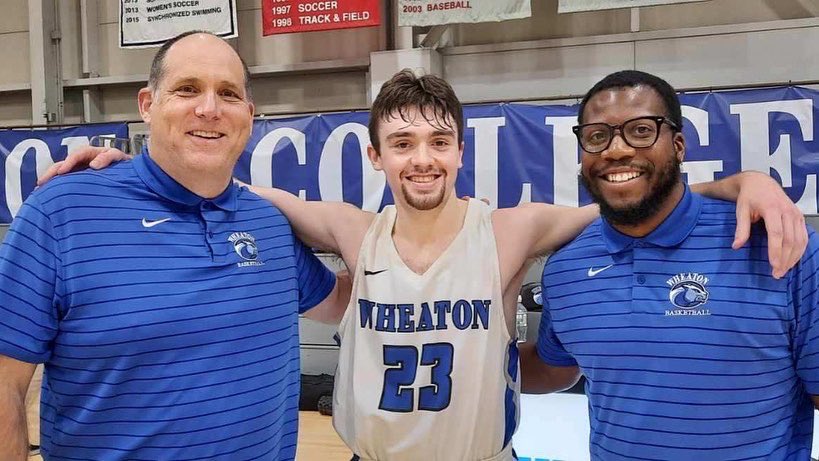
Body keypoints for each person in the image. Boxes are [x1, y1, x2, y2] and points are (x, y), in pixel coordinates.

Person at [44, 70, 807, 460]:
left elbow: (632, 192)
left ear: (460, 152)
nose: (422, 159)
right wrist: (129, 165)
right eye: (402, 144)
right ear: (374, 156)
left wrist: (744, 181)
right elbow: (222, 183)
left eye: (438, 142)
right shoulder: (350, 230)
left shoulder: (513, 230)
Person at [0, 31, 349, 461]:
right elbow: (4, 386)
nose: (209, 109)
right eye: (187, 89)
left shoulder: (268, 223)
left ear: (250, 114)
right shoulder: (61, 212)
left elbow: (344, 299)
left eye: (228, 93)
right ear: (147, 105)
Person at [520, 70, 819, 460]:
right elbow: (554, 368)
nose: (616, 149)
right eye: (597, 136)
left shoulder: (781, 243)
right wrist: (468, 356)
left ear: (678, 145)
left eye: (641, 131)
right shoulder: (567, 266)